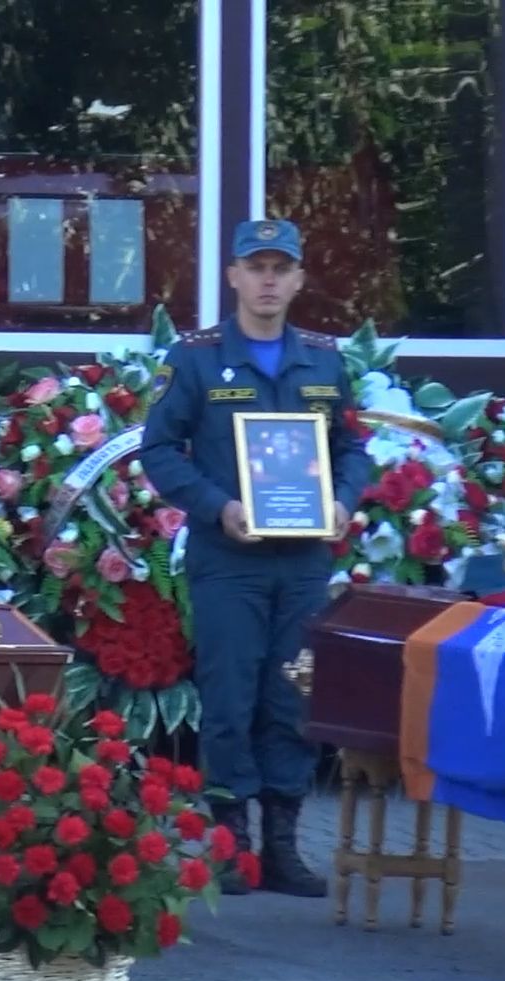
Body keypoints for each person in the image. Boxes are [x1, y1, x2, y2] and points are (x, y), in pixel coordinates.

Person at [140, 218, 368, 898]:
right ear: (234, 276)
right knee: (231, 693)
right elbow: (157, 450)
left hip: (302, 561)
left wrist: (344, 502)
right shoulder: (196, 359)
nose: (268, 279)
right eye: (256, 266)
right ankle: (230, 839)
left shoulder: (326, 361)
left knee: (293, 691)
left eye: (280, 267)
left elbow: (351, 447)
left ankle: (284, 843)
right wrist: (217, 507)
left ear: (298, 279)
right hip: (229, 557)